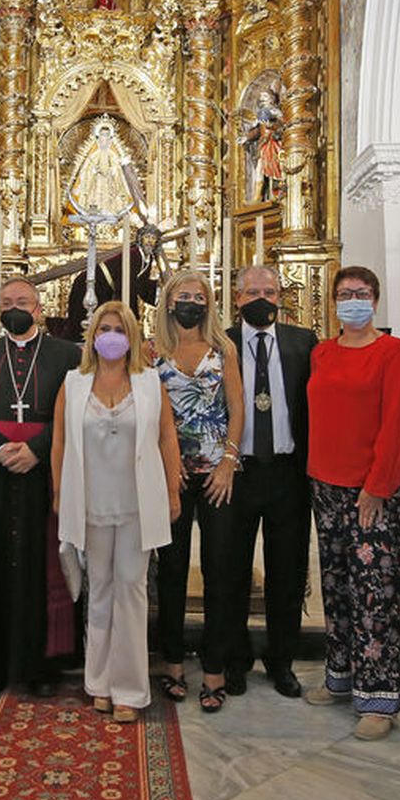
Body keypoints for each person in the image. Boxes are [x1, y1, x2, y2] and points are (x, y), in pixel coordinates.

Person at [0, 277, 82, 696]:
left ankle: (42, 666)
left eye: (22, 301)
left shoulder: (66, 355)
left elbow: (76, 411)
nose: (14, 308)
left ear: (39, 308)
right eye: (6, 302)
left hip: (46, 473)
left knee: (42, 567)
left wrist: (37, 450)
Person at [52, 302, 182, 723]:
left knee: (132, 589)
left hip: (137, 505)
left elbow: (166, 439)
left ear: (131, 336)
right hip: (90, 503)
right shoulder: (73, 383)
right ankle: (100, 683)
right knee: (99, 591)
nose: (110, 335)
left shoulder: (149, 384)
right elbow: (59, 443)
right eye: (103, 328)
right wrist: (59, 493)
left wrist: (172, 493)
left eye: (119, 329)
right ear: (92, 336)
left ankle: (129, 688)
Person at [302, 266, 400, 741]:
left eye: (362, 294)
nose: (353, 300)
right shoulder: (322, 353)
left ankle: (379, 696)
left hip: (373, 491)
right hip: (325, 484)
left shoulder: (394, 352)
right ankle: (341, 676)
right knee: (336, 587)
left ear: (375, 299)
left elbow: (397, 423)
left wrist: (378, 486)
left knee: (377, 595)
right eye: (345, 294)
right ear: (333, 301)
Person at [151, 271, 244, 711]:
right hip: (171, 474)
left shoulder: (223, 349)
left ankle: (214, 667)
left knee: (219, 570)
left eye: (198, 296)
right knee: (169, 571)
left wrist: (228, 461)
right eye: (182, 296)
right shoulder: (153, 352)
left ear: (209, 303)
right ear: (169, 303)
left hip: (217, 474)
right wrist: (168, 470)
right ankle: (171, 662)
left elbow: (238, 407)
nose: (190, 302)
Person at [223, 265, 316, 699]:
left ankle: (282, 661)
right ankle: (235, 660)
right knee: (231, 569)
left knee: (287, 570)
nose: (262, 298)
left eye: (270, 290)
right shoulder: (219, 342)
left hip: (286, 472)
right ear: (237, 298)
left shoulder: (304, 343)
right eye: (252, 291)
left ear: (281, 296)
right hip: (237, 472)